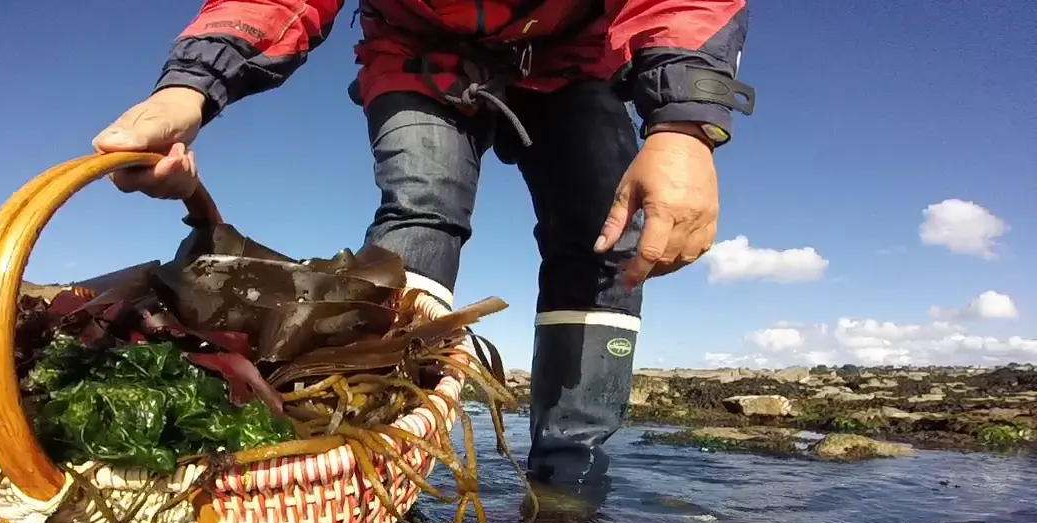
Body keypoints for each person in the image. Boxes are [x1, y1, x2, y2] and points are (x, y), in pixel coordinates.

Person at [91, 0, 755, 487]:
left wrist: (685, 126)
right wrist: (189, 88)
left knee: (603, 232)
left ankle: (570, 486)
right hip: (416, 52)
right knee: (422, 210)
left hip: (577, 55)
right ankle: (382, 465)